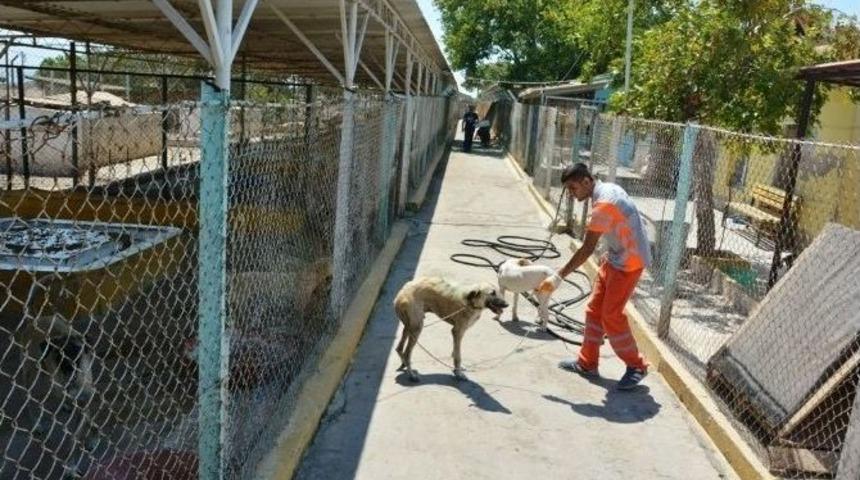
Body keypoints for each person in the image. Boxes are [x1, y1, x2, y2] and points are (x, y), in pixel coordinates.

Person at [539, 163, 652, 390]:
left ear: (586, 181)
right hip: (616, 257)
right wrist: (610, 250)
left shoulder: (603, 204)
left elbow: (586, 249)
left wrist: (558, 277)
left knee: (611, 315)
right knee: (594, 310)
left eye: (573, 188)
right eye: (569, 190)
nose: (571, 194)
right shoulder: (606, 190)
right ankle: (587, 363)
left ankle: (637, 366)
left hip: (629, 263)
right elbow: (619, 226)